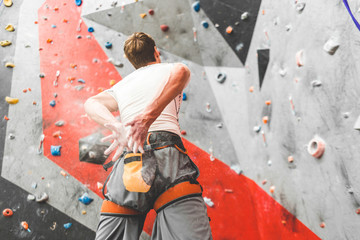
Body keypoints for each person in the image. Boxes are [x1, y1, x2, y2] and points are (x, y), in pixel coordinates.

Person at [84, 32, 212, 240]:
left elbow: (91, 103)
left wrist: (117, 126)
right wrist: (147, 117)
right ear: (156, 52)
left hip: (131, 161)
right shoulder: (168, 69)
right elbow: (182, 71)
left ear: (132, 61)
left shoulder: (122, 85)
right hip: (169, 157)